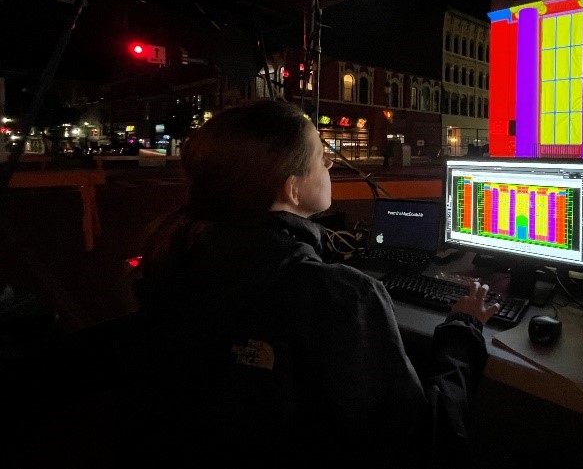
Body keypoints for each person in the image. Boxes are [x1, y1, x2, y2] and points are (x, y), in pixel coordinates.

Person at [127, 100, 499, 467]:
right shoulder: (339, 295)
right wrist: (462, 330)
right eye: (322, 157)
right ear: (291, 189)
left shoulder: (170, 259)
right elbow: (423, 443)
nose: (330, 164)